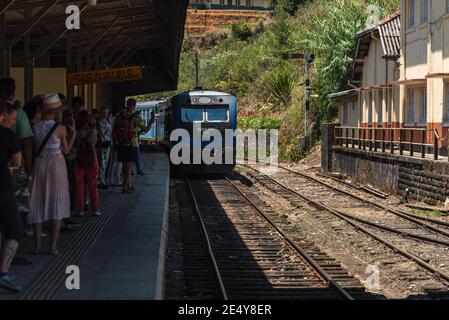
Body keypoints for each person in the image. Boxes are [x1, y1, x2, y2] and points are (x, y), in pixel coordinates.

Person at [28, 94, 77, 255]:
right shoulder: (60, 129)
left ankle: (37, 246)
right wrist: (73, 135)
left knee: (38, 201)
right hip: (56, 164)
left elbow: (33, 148)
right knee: (58, 201)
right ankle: (53, 246)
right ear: (56, 111)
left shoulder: (34, 126)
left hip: (40, 163)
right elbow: (67, 150)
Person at [0, 100, 23, 292]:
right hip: (2, 189)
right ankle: (3, 273)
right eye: (12, 118)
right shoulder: (6, 134)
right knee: (14, 229)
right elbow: (17, 160)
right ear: (2, 114)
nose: (13, 122)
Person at [113, 98, 153, 194]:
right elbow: (146, 129)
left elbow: (114, 129)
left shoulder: (120, 115)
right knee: (128, 166)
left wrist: (115, 143)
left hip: (120, 143)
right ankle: (124, 187)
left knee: (124, 165)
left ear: (127, 104)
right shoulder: (136, 117)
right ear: (134, 106)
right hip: (131, 144)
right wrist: (151, 121)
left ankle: (128, 185)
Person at [74, 110, 101, 217]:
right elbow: (93, 144)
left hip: (79, 160)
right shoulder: (93, 131)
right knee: (93, 185)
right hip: (92, 159)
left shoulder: (76, 132)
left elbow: (75, 145)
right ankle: (95, 209)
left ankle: (80, 210)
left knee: (79, 185)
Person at [106, 108, 123, 187]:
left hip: (111, 143)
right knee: (119, 163)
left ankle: (110, 180)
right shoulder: (118, 120)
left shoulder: (109, 119)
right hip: (117, 143)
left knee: (112, 162)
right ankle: (117, 181)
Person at [97, 107, 112, 189]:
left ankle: (102, 180)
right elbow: (99, 133)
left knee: (105, 162)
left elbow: (110, 132)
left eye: (106, 112)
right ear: (100, 113)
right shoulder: (98, 122)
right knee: (101, 162)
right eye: (103, 112)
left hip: (108, 142)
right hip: (101, 143)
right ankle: (100, 181)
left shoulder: (108, 121)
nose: (105, 114)